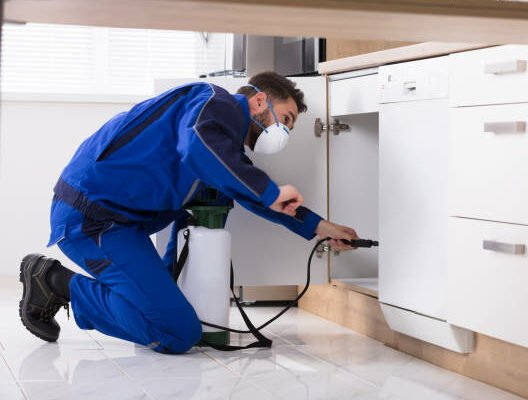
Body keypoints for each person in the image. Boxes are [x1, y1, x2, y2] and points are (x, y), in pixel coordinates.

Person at [19, 71, 359, 354]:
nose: (283, 133)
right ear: (258, 102)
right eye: (285, 120)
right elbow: (200, 144)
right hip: (89, 219)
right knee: (177, 332)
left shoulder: (221, 150)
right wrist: (270, 191)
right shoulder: (214, 102)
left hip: (120, 224)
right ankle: (55, 282)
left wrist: (322, 228)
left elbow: (257, 199)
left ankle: (160, 295)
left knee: (213, 201)